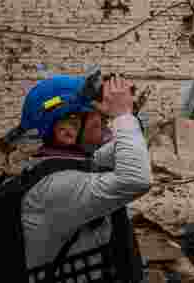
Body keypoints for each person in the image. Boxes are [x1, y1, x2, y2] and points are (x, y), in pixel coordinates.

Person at [18, 74, 152, 281]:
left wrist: (127, 115)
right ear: (67, 134)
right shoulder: (56, 186)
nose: (106, 126)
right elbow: (135, 179)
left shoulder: (60, 163)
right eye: (99, 119)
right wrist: (122, 116)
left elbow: (114, 154)